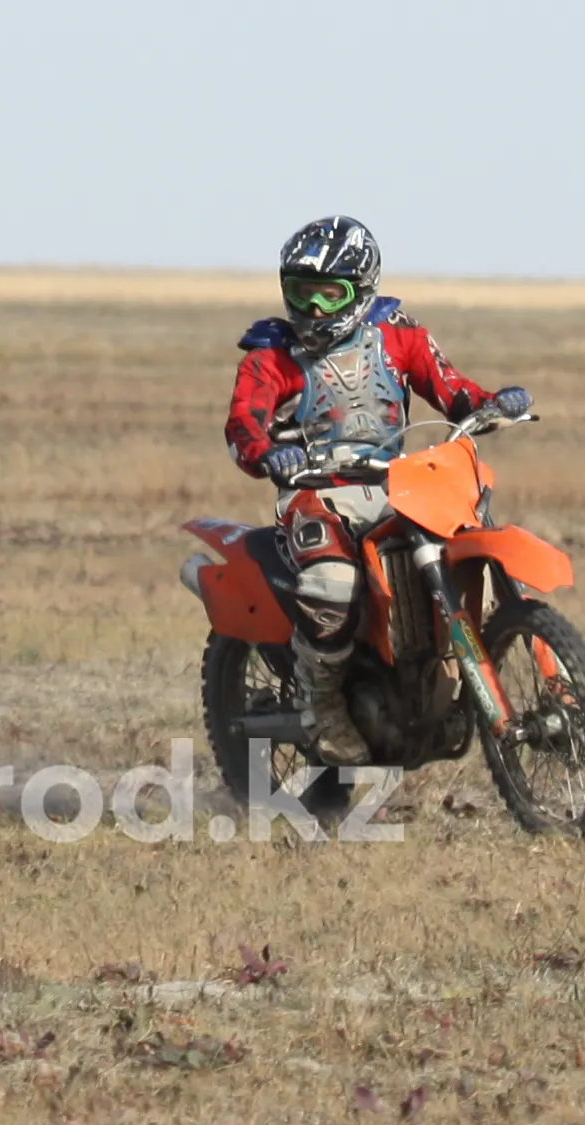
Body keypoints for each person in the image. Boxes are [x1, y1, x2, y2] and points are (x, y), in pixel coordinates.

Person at [223, 214, 527, 766]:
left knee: (462, 541)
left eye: (328, 295)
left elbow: (451, 387)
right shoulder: (272, 356)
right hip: (315, 488)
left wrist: (490, 405)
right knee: (332, 585)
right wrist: (270, 453)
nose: (312, 310)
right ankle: (323, 706)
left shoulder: (399, 337)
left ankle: (444, 674)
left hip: (396, 481)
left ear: (361, 291)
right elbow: (243, 423)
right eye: (301, 294)